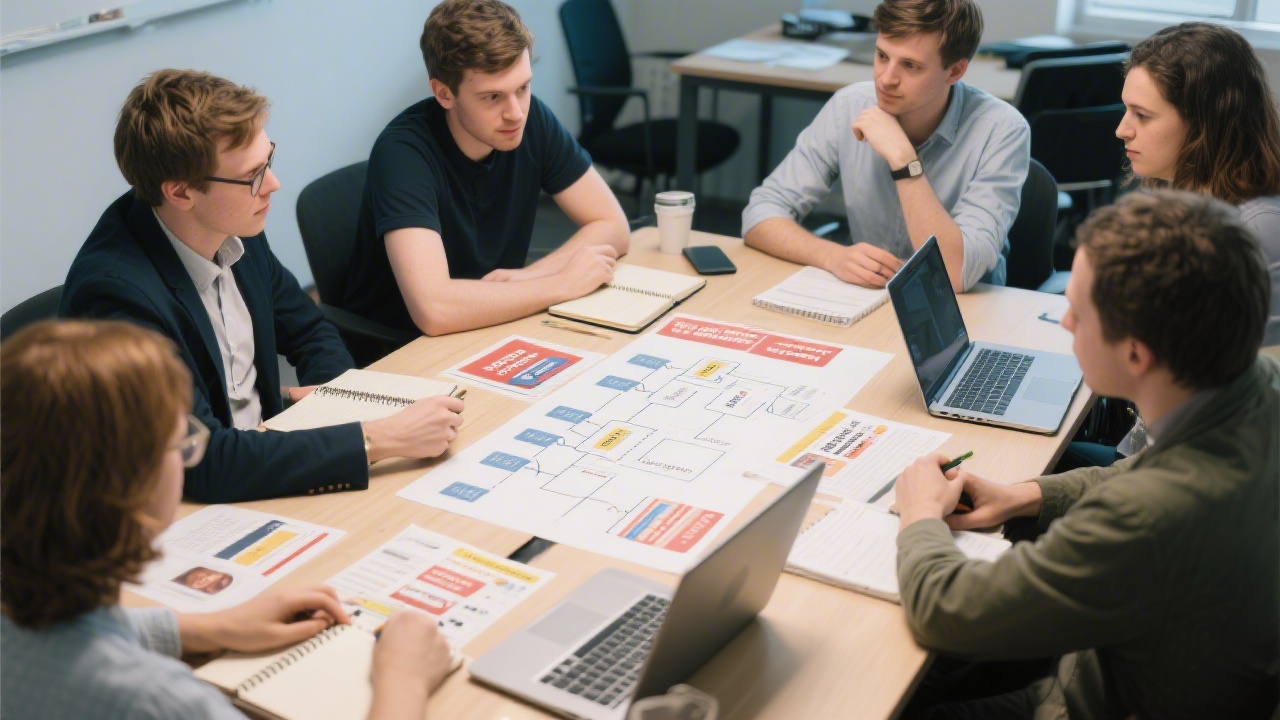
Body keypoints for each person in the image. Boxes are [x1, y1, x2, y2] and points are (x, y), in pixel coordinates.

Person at [894, 190, 1278, 718]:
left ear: (1136, 354)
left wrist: (919, 515)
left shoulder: (1145, 518)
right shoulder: (1258, 383)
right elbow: (1141, 470)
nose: (1066, 323)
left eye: (1078, 311)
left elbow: (943, 610)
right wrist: (1024, 495)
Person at [0, 320, 453, 720]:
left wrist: (207, 628)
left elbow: (70, 635)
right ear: (133, 486)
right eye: (181, 441)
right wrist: (404, 678)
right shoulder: (160, 701)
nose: (190, 452)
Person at [60, 69, 464, 503]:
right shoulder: (117, 297)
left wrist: (335, 403)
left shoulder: (231, 223)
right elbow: (201, 461)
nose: (272, 184)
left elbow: (311, 332)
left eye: (268, 160)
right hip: (175, 507)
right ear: (180, 193)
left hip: (258, 460)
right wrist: (375, 439)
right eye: (253, 175)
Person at [343, 0, 631, 336]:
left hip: (494, 320)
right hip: (400, 347)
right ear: (444, 93)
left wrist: (532, 276)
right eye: (492, 97)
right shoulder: (403, 154)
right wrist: (562, 283)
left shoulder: (531, 119)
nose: (515, 113)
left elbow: (612, 225)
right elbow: (434, 310)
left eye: (522, 88)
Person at [742, 0, 1029, 293]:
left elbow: (955, 274)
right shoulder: (848, 105)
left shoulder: (1002, 130)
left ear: (954, 71)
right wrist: (832, 256)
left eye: (910, 65)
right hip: (867, 296)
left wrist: (904, 161)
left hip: (963, 309)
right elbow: (759, 215)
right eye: (882, 56)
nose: (886, 79)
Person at [1118, 22, 1280, 346]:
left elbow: (1241, 368)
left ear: (1204, 123)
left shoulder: (1255, 231)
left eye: (1142, 116)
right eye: (1126, 110)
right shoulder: (1188, 195)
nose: (1122, 130)